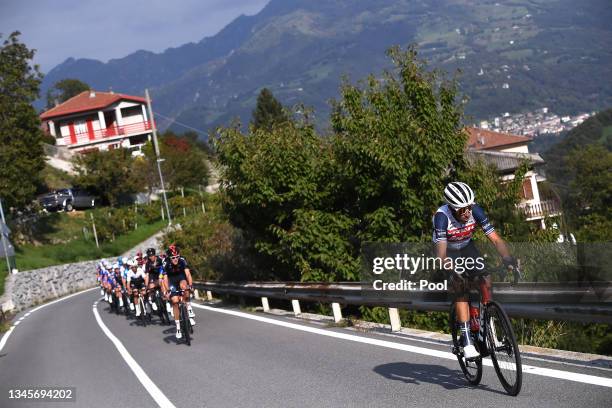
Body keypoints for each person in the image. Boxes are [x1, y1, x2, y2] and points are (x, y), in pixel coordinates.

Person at [433, 182, 517, 359]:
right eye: (462, 210)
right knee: (461, 287)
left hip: (466, 247)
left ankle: (489, 330)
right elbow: (441, 254)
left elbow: (495, 239)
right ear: (452, 208)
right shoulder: (442, 217)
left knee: (485, 278)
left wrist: (507, 258)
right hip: (448, 251)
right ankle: (466, 341)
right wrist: (451, 269)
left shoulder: (476, 211)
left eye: (469, 207)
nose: (467, 213)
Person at [162, 244, 195, 339]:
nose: (175, 259)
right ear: (169, 258)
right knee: (175, 301)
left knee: (185, 287)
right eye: (173, 258)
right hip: (171, 280)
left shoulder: (182, 260)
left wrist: (191, 284)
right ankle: (178, 327)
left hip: (181, 278)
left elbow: (188, 274)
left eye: (177, 257)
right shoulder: (166, 263)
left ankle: (189, 308)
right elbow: (165, 278)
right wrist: (167, 290)